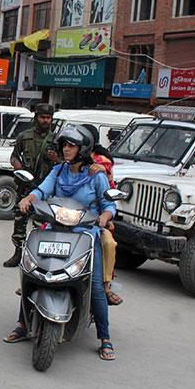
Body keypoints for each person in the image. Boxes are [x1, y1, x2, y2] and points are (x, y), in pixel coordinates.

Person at [4, 124, 117, 361]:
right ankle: (22, 324)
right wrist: (28, 198)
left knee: (95, 286)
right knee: (32, 273)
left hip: (85, 233)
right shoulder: (58, 170)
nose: (66, 149)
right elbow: (42, 190)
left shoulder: (96, 175)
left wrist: (104, 218)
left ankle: (105, 337)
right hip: (54, 229)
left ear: (83, 149)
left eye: (72, 145)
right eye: (65, 145)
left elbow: (108, 204)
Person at [3, 103, 60, 267]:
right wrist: (17, 165)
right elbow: (13, 157)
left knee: (40, 227)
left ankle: (36, 259)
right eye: (42, 117)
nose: (45, 121)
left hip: (44, 191)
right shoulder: (24, 136)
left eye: (48, 118)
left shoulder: (56, 140)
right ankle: (18, 254)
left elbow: (65, 164)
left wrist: (57, 159)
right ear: (36, 118)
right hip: (25, 187)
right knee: (19, 224)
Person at [81, 124, 122, 306]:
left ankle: (105, 286)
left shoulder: (100, 162)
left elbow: (108, 194)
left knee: (108, 243)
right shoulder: (69, 159)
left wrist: (106, 217)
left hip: (94, 218)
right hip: (69, 214)